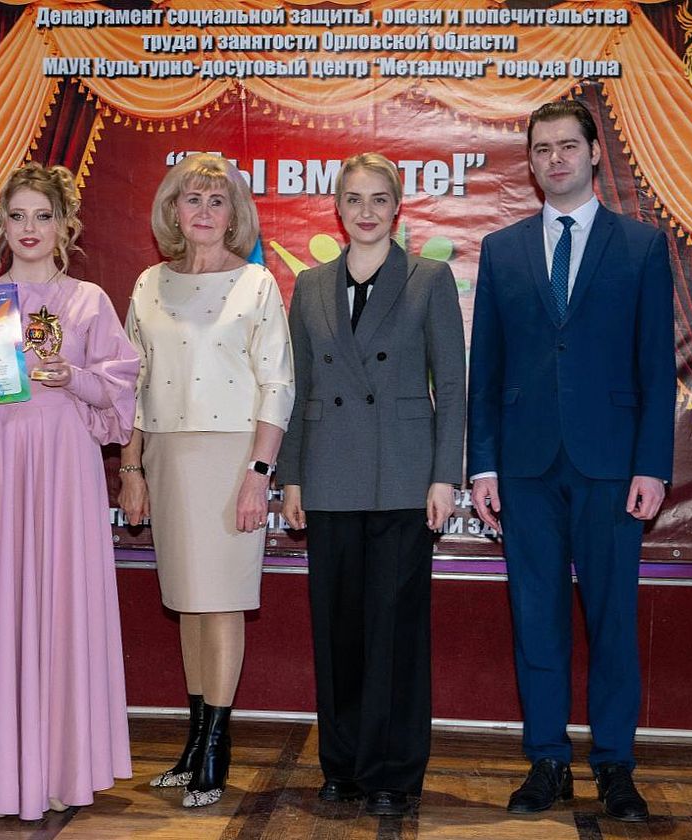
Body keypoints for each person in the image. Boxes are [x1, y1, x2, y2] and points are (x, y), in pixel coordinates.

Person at [468, 100, 675, 822]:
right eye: (541, 149)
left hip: (613, 468)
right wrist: (482, 466)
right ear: (529, 163)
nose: (554, 159)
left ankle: (615, 765)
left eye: (566, 146)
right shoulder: (502, 250)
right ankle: (548, 760)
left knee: (613, 621)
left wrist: (652, 465)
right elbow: (485, 371)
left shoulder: (642, 247)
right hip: (524, 469)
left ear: (593, 153)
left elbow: (657, 367)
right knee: (537, 620)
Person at [0, 163, 138, 820]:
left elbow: (121, 394)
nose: (30, 228)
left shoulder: (89, 301)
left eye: (43, 216)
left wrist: (75, 377)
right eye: (18, 216)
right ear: (1, 225)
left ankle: (60, 768)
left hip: (65, 468)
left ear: (66, 224)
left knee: (61, 603)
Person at [277, 152, 466, 817]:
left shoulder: (428, 278)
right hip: (329, 475)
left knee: (396, 631)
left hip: (403, 476)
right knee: (338, 631)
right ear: (337, 207)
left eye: (379, 199)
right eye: (354, 199)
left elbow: (453, 385)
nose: (366, 212)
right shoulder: (310, 285)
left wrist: (444, 476)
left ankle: (393, 773)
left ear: (397, 207)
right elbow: (297, 388)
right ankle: (344, 766)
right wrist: (291, 478)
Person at [119, 153, 293, 808]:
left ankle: (218, 746)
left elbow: (278, 384)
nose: (203, 211)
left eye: (217, 201)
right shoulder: (148, 284)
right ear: (173, 210)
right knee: (188, 601)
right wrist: (131, 468)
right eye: (192, 199)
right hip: (166, 456)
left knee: (221, 600)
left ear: (234, 214)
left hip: (232, 458)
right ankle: (194, 744)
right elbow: (131, 386)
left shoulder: (257, 285)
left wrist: (258, 474)